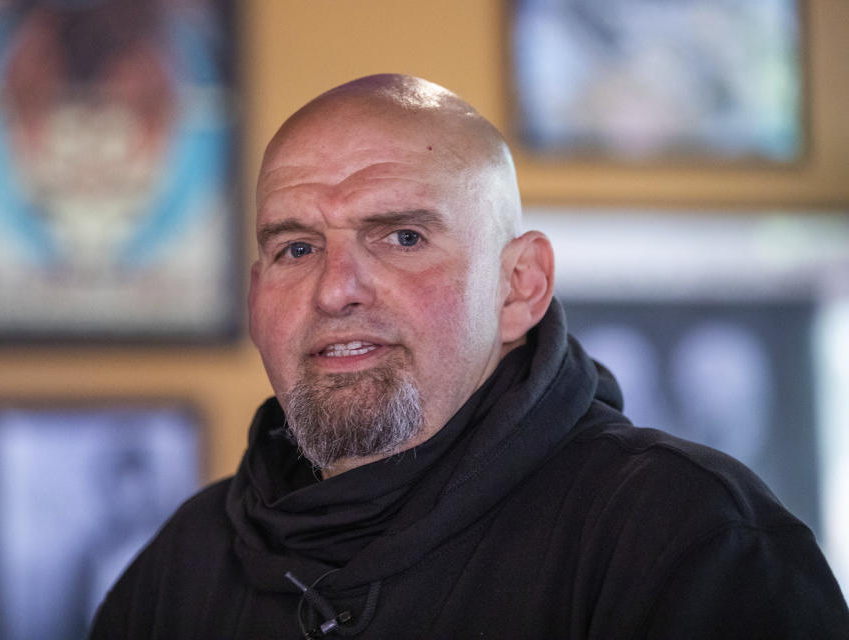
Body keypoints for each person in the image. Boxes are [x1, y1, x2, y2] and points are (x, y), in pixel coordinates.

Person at [89, 74, 849, 638]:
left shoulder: (688, 539)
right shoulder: (185, 564)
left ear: (520, 287)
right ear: (256, 298)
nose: (335, 290)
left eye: (403, 237)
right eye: (296, 247)